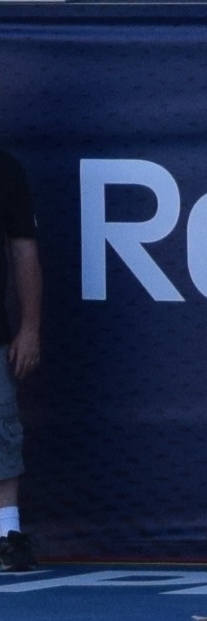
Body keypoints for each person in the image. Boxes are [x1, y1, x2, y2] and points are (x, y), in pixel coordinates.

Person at [0, 146, 40, 573]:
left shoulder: (6, 168)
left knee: (1, 433)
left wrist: (29, 327)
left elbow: (24, 250)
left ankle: (6, 534)